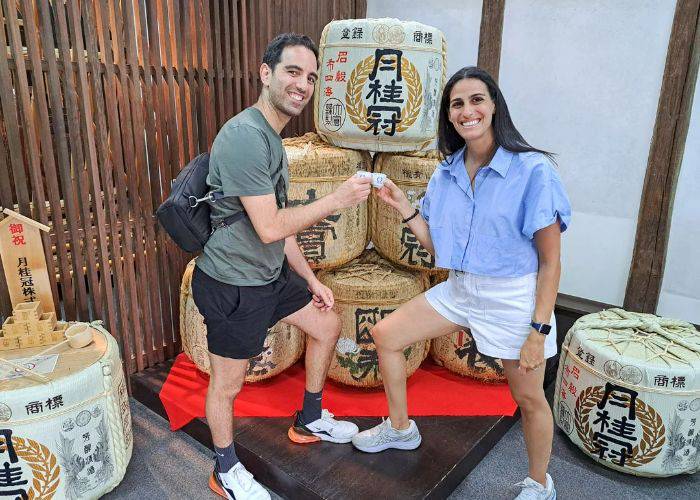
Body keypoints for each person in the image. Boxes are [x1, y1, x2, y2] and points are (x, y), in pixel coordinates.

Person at [352, 66, 571, 500]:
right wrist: (401, 206)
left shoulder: (532, 171)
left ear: (494, 107)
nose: (467, 110)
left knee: (527, 400)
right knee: (386, 336)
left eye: (477, 100)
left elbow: (551, 263)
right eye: (457, 104)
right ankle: (400, 429)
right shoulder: (447, 171)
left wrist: (538, 330)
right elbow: (439, 250)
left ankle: (539, 483)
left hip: (512, 297)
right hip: (461, 288)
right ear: (449, 116)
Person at [192, 33, 371, 500]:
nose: (303, 84)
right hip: (233, 283)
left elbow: (280, 229)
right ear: (265, 73)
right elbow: (270, 226)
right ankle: (225, 470)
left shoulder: (271, 137)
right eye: (293, 72)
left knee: (327, 324)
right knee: (228, 384)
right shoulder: (244, 137)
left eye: (311, 77)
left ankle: (309, 418)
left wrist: (310, 280)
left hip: (268, 276)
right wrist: (337, 199)